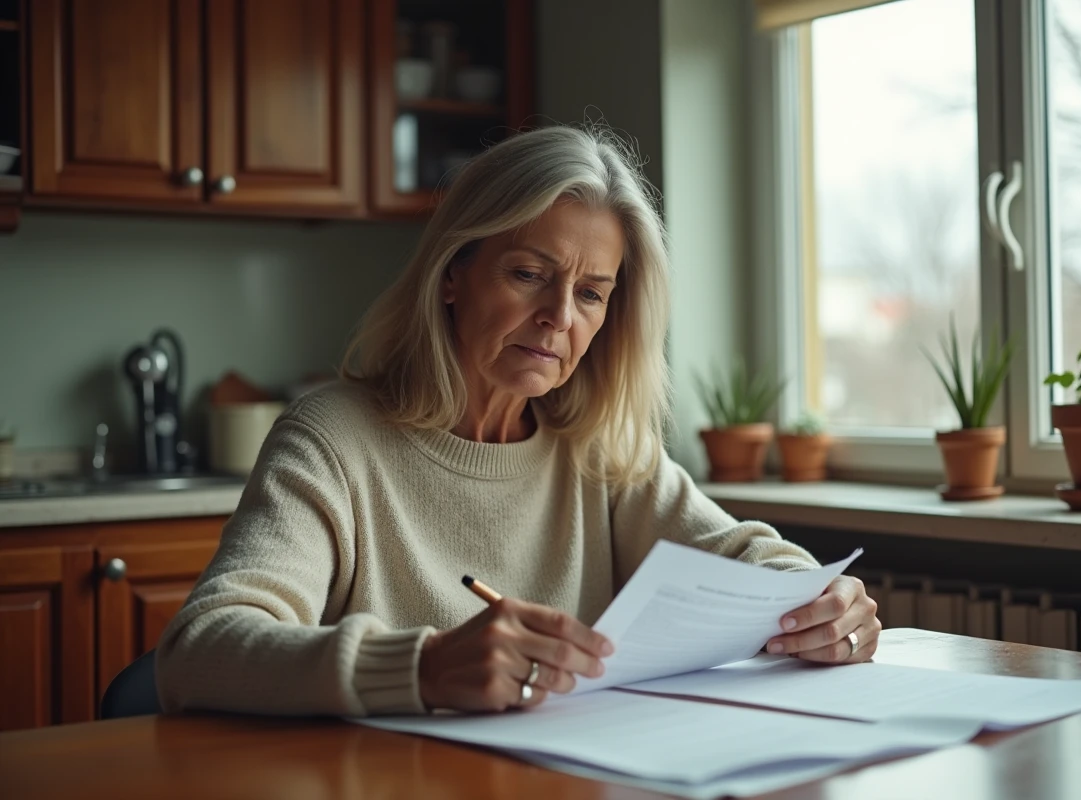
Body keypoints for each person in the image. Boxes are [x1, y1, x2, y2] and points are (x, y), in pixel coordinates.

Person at [156, 125, 881, 717]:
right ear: (452, 274)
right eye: (529, 274)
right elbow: (203, 647)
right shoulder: (333, 438)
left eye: (592, 294)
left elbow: (742, 555)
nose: (559, 318)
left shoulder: (599, 448)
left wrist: (818, 602)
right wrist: (424, 666)